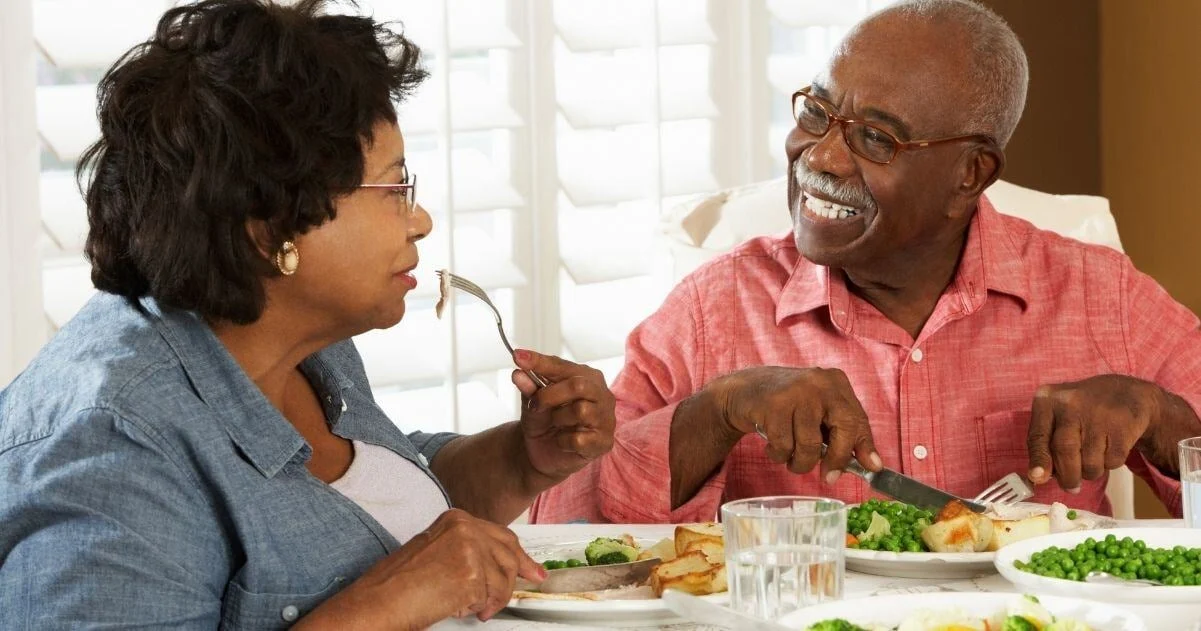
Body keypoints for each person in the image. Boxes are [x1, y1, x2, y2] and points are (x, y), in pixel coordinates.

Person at [0, 0, 616, 628]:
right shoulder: (111, 453)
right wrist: (384, 605)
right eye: (394, 187)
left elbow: (373, 509)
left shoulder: (292, 335)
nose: (421, 220)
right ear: (271, 228)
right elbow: (400, 578)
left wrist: (522, 459)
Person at [529, 0, 1201, 525]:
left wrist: (1159, 415)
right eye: (817, 112)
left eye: (875, 138)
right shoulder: (714, 309)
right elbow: (560, 525)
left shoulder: (1096, 294)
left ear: (970, 172)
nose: (819, 156)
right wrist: (717, 411)